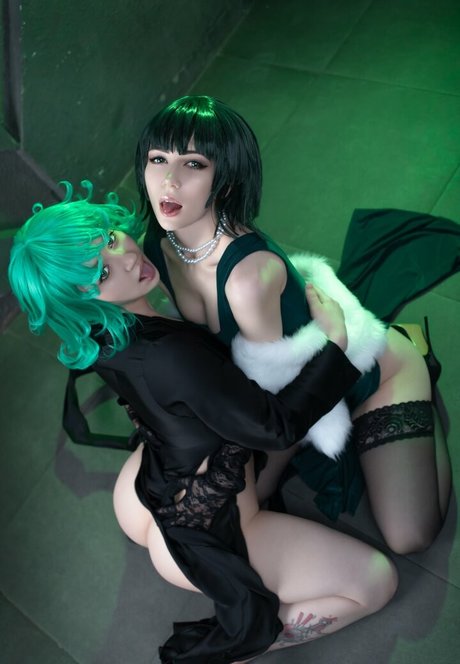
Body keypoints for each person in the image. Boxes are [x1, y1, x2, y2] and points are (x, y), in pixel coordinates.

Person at [8, 185, 397, 663]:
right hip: (213, 529)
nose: (126, 258)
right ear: (79, 301)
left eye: (108, 238)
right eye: (102, 273)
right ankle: (253, 646)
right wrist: (335, 342)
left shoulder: (100, 335)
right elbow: (277, 428)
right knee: (377, 581)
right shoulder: (168, 357)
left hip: (148, 490)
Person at [136, 94, 452, 554]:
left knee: (409, 537)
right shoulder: (156, 244)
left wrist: (258, 478)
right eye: (158, 159)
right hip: (301, 384)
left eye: (194, 164)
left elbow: (281, 407)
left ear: (225, 179)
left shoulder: (247, 279)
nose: (169, 181)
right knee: (231, 503)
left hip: (367, 375)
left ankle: (415, 358)